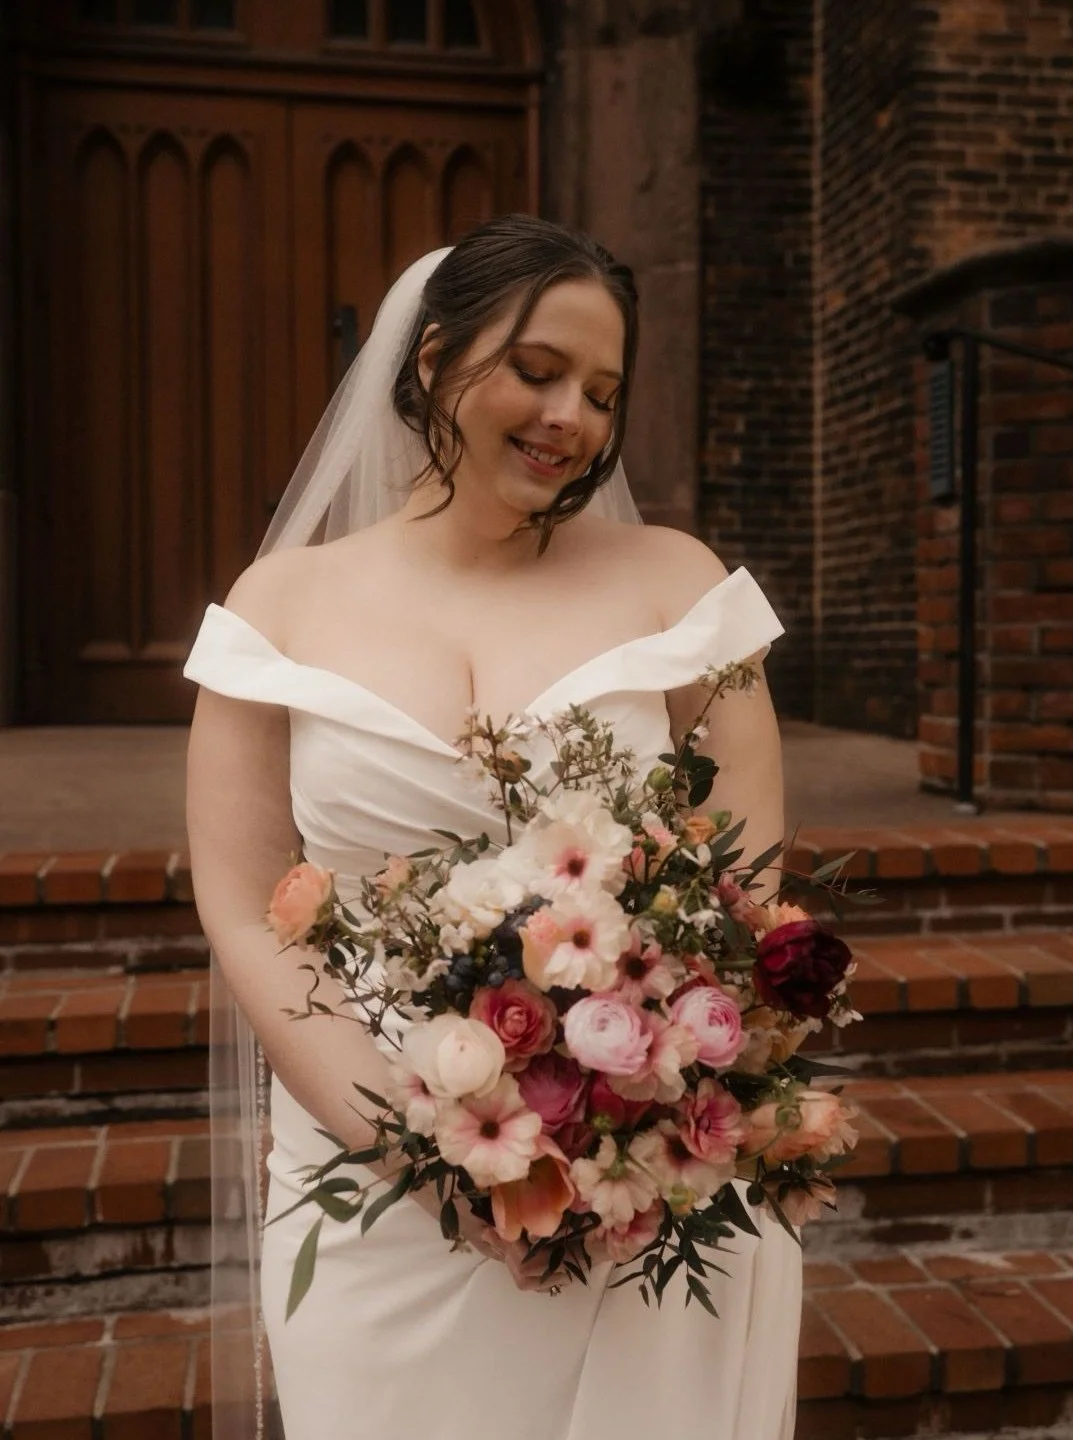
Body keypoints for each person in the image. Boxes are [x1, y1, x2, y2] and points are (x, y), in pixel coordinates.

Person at [184, 214, 799, 1440]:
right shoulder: (282, 603)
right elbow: (248, 904)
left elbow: (752, 893)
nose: (572, 414)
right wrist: (431, 1167)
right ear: (430, 364)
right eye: (537, 369)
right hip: (370, 1178)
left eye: (604, 391)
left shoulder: (678, 582)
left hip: (644, 1187)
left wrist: (628, 1127)